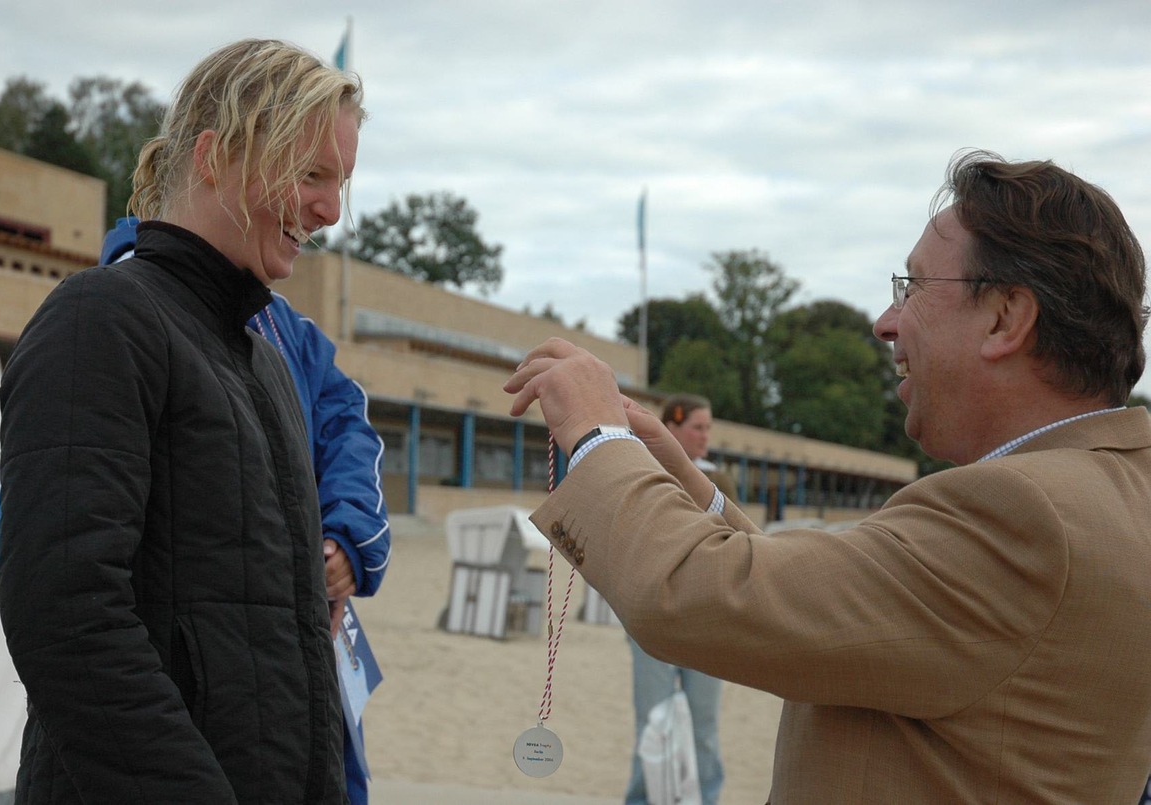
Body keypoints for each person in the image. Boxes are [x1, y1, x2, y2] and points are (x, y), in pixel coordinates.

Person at [505, 149, 1151, 802]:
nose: (885, 321)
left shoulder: (1023, 513)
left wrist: (597, 436)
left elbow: (698, 596)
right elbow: (833, 613)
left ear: (1006, 317)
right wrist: (685, 482)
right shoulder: (1110, 490)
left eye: (915, 287)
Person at [0, 39, 363, 803]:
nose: (331, 210)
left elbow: (296, 648)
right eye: (311, 174)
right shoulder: (100, 319)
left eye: (341, 184)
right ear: (215, 154)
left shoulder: (265, 362)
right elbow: (65, 614)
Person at [100, 216, 391, 803]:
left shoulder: (284, 326)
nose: (326, 210)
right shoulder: (116, 311)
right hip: (196, 653)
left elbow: (347, 422)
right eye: (302, 174)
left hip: (304, 640)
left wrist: (344, 540)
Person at [624, 393, 727, 805]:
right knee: (652, 720)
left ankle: (707, 798)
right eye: (697, 427)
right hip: (654, 615)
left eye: (708, 428)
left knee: (704, 724)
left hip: (710, 617)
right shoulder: (644, 476)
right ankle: (641, 798)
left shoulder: (721, 478)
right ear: (672, 427)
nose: (705, 436)